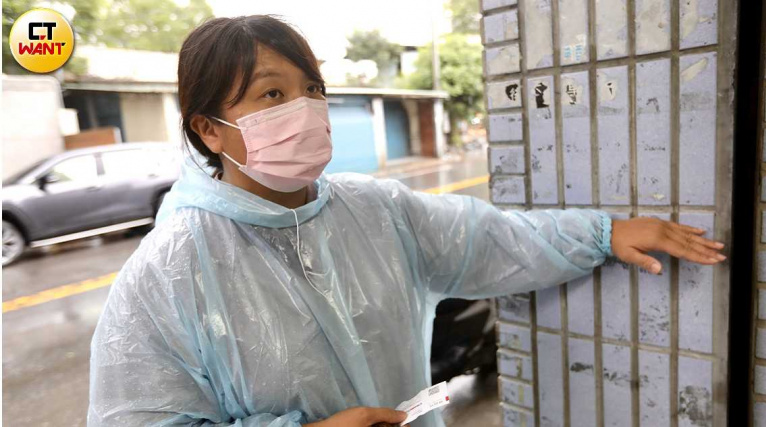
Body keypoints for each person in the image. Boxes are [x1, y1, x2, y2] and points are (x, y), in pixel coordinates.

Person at [86, 15, 726, 427]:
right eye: (272, 94)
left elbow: (489, 239)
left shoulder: (373, 211)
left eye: (313, 89)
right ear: (207, 128)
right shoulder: (169, 273)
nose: (305, 109)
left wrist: (602, 233)